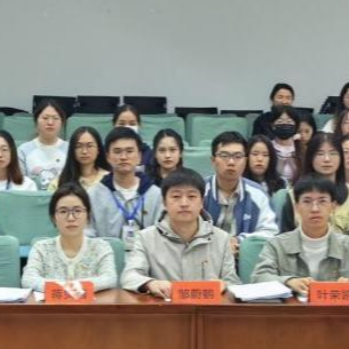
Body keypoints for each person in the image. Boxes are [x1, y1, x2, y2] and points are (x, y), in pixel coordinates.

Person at [252, 176, 349, 294]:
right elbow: (258, 278)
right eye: (307, 201)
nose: (315, 209)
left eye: (322, 201)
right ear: (296, 207)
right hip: (293, 313)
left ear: (333, 206)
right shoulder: (277, 245)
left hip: (337, 314)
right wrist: (288, 281)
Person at [121, 168, 240, 297]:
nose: (184, 203)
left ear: (201, 202)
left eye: (191, 196)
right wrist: (150, 283)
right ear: (164, 202)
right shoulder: (145, 238)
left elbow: (233, 282)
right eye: (176, 196)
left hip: (207, 307)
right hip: (165, 307)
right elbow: (129, 276)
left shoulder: (222, 239)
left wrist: (223, 284)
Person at [22, 183, 118, 293]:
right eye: (63, 211)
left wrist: (67, 288)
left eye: (77, 211)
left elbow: (110, 278)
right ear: (53, 218)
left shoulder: (101, 247)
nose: (71, 218)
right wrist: (71, 288)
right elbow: (28, 280)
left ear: (87, 216)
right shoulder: (41, 248)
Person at [279, 133, 349, 238]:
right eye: (320, 153)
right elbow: (285, 238)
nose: (327, 159)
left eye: (333, 153)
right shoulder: (293, 196)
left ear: (341, 158)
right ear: (310, 157)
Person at [202, 132, 278, 255]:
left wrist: (239, 241)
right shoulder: (199, 191)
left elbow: (271, 232)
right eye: (224, 155)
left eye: (238, 156)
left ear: (245, 161)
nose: (231, 162)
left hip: (243, 257)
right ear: (213, 160)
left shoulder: (258, 194)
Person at [88, 127, 162, 247]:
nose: (123, 157)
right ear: (108, 157)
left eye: (129, 151)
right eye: (117, 152)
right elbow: (88, 237)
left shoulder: (156, 195)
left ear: (139, 156)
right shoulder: (93, 195)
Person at [17, 100, 68, 190]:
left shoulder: (70, 149)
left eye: (55, 118)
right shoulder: (23, 150)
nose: (50, 122)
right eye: (45, 118)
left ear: (62, 123)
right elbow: (20, 185)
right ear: (36, 121)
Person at [48, 126, 110, 192]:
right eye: (79, 146)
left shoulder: (108, 179)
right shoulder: (58, 183)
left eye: (89, 146)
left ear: (98, 149)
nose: (84, 151)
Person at [268, 106, 303, 184]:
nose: (285, 124)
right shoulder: (268, 146)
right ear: (273, 126)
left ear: (296, 126)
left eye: (289, 122)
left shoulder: (301, 147)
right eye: (280, 121)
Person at [112, 103, 154, 170]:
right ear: (114, 124)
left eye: (132, 124)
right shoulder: (104, 152)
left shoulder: (148, 153)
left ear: (139, 125)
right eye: (122, 124)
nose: (127, 127)